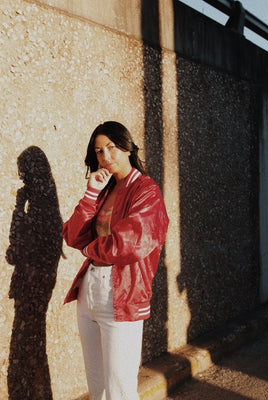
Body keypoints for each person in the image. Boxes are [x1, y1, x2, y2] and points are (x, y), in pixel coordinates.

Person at [62, 121, 169, 400]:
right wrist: (90, 193)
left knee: (120, 388)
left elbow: (130, 243)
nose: (106, 157)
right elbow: (73, 236)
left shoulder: (146, 190)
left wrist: (89, 251)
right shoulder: (104, 189)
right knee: (98, 387)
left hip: (123, 292)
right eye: (98, 152)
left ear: (128, 148)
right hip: (90, 289)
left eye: (112, 147)